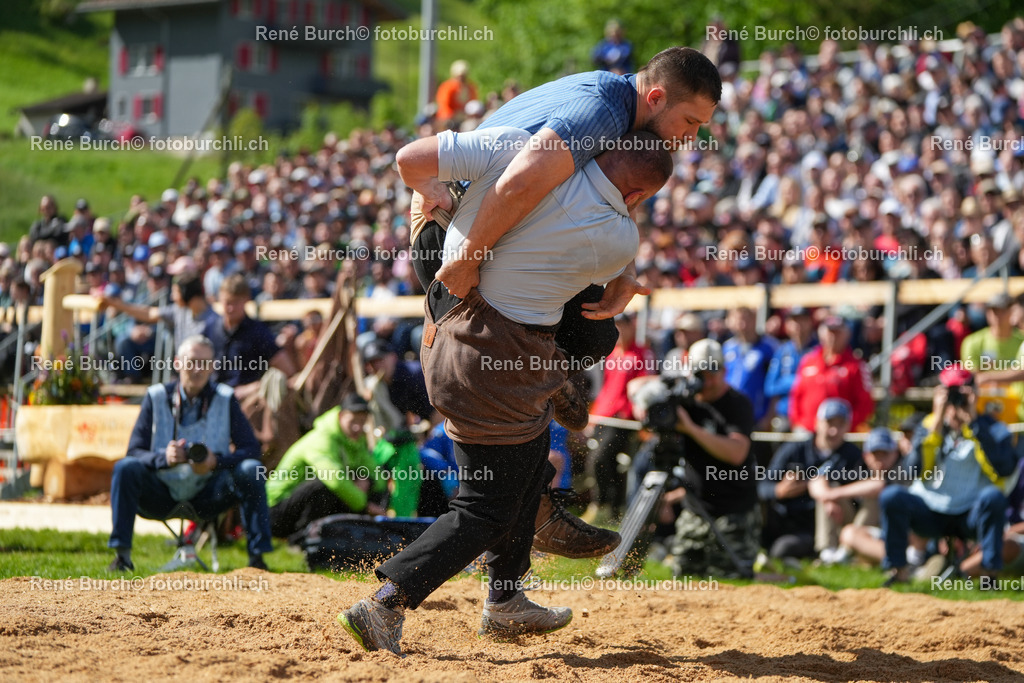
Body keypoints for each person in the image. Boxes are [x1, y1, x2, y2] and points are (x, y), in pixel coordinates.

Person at [337, 126, 673, 656]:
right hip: (498, 365)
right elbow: (602, 296)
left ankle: (506, 598)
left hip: (444, 328)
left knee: (528, 466)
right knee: (487, 508)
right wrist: (624, 275)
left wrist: (437, 197)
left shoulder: (521, 145)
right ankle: (384, 604)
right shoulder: (617, 238)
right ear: (636, 195)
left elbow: (409, 158)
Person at [410, 46, 720, 559]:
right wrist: (467, 258)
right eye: (689, 122)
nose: (691, 137)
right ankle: (534, 511)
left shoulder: (624, 114)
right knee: (560, 356)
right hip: (455, 233)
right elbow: (519, 182)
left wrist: (625, 271)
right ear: (657, 98)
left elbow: (620, 189)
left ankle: (514, 570)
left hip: (480, 225)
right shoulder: (602, 109)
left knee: (586, 340)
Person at [107, 335, 272, 570]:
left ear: (213, 367)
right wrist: (165, 458)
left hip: (209, 493)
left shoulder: (226, 398)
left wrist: (216, 462)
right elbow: (134, 452)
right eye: (192, 361)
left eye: (205, 363)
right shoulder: (156, 396)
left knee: (252, 470)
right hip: (161, 492)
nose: (198, 369)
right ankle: (122, 557)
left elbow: (252, 450)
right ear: (177, 363)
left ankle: (258, 560)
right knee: (125, 467)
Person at [631, 339, 759, 578]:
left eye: (713, 374)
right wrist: (649, 399)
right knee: (684, 576)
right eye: (701, 375)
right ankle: (622, 569)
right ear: (690, 372)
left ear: (724, 371)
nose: (707, 382)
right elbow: (634, 387)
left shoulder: (737, 403)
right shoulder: (683, 395)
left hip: (733, 510)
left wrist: (690, 428)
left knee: (728, 579)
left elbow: (737, 453)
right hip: (694, 509)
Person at [881, 368, 1017, 585]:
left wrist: (975, 425)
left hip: (970, 514)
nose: (955, 402)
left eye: (961, 394)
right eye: (950, 393)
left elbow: (1005, 468)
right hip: (930, 512)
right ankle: (898, 571)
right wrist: (936, 423)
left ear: (974, 393)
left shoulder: (993, 428)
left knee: (994, 497)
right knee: (891, 496)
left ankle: (989, 576)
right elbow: (911, 472)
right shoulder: (927, 425)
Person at [267, 393, 385, 538]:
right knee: (324, 485)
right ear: (341, 416)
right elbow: (335, 481)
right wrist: (364, 505)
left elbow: (377, 476)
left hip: (297, 505)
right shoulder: (321, 438)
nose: (357, 427)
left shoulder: (355, 442)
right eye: (353, 421)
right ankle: (302, 537)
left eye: (362, 422)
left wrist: (369, 482)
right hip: (274, 510)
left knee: (360, 478)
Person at [759, 399, 861, 561]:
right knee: (778, 547)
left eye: (840, 424)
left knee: (829, 488)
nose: (834, 430)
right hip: (787, 520)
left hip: (826, 524)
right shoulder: (794, 449)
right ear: (817, 423)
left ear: (848, 426)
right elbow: (762, 486)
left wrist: (830, 494)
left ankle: (828, 551)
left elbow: (863, 492)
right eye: (829, 423)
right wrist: (779, 490)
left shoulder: (853, 455)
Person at [585, 312, 654, 523]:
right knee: (605, 461)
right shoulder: (613, 354)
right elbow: (607, 390)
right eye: (616, 325)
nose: (619, 330)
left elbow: (645, 385)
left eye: (623, 325)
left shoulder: (642, 354)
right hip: (605, 417)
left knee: (601, 459)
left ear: (632, 327)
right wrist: (594, 416)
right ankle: (612, 511)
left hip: (624, 420)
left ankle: (601, 505)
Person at [825, 427, 911, 566]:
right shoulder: (858, 466)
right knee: (831, 497)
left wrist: (832, 494)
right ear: (866, 456)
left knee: (851, 531)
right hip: (866, 532)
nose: (880, 460)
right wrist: (829, 498)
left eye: (885, 454)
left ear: (895, 453)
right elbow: (819, 478)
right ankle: (828, 551)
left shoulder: (903, 469)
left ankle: (848, 551)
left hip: (892, 535)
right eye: (875, 454)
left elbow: (878, 485)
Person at [788, 315, 874, 433]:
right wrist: (798, 422)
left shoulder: (856, 366)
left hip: (838, 434)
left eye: (838, 333)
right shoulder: (808, 361)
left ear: (847, 335)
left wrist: (844, 428)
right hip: (806, 430)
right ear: (821, 334)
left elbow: (865, 404)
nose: (833, 337)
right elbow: (796, 395)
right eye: (830, 332)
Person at [435, 60, 478, 127]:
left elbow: (473, 103)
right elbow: (444, 105)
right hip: (449, 119)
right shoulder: (447, 87)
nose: (461, 78)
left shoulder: (470, 87)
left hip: (464, 118)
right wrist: (451, 116)